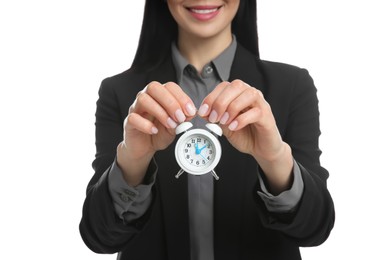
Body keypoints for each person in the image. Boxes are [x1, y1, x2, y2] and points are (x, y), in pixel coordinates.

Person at [79, 0, 335, 259]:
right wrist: (132, 163)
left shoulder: (291, 86)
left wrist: (275, 159)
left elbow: (315, 229)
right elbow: (99, 237)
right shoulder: (122, 94)